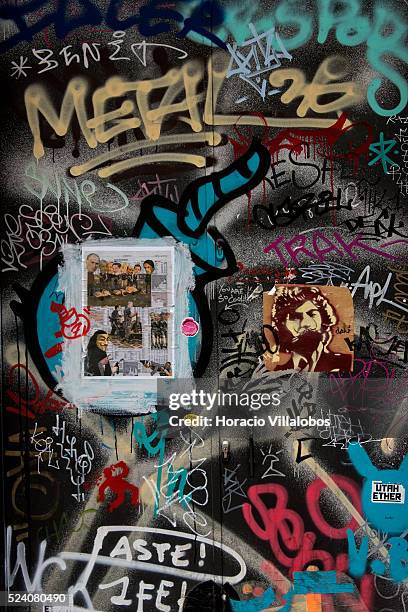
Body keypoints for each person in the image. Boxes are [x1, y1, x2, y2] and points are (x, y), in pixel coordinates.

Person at [263, 286, 352, 372]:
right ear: (281, 324)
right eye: (295, 317)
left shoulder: (345, 364)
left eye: (312, 314)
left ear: (324, 319)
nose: (306, 323)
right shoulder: (274, 370)